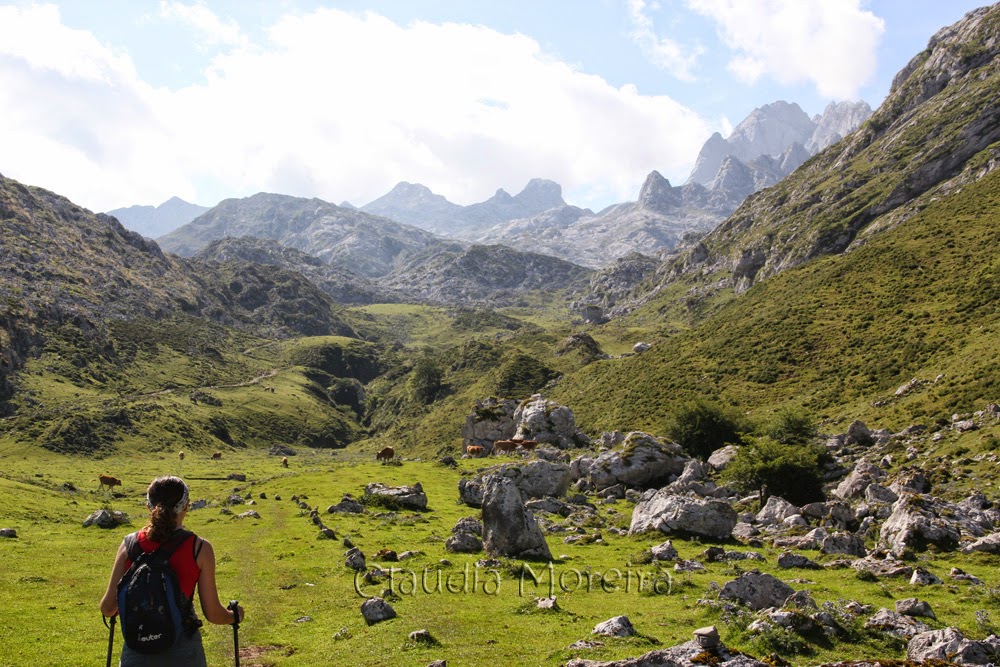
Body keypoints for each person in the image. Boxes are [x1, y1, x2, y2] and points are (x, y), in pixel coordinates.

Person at [99, 476, 245, 666]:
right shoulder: (199, 548)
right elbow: (213, 614)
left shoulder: (129, 545)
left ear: (149, 506)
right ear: (187, 506)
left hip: (137, 653)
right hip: (184, 654)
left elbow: (108, 608)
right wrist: (235, 615)